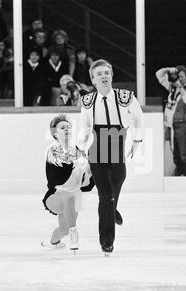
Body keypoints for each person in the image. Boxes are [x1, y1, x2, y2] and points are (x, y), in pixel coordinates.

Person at [77, 59, 144, 255]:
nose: (104, 76)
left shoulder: (125, 97)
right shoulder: (88, 101)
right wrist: (79, 148)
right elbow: (85, 127)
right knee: (105, 196)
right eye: (99, 74)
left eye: (107, 73)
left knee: (115, 188)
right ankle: (107, 241)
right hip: (97, 154)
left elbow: (138, 116)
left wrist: (137, 141)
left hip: (117, 153)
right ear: (93, 80)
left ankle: (111, 210)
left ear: (112, 76)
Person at [42, 114, 94, 251]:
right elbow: (60, 174)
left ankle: (52, 242)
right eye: (62, 127)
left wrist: (90, 170)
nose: (67, 129)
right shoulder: (51, 149)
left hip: (73, 195)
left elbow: (85, 183)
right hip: (55, 195)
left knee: (63, 229)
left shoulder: (78, 151)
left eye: (69, 127)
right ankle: (74, 232)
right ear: (54, 132)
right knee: (70, 195)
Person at [156, 65, 186, 176]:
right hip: (171, 125)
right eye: (178, 76)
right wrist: (168, 70)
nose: (180, 79)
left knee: (184, 155)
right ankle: (179, 175)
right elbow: (159, 75)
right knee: (176, 155)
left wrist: (180, 87)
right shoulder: (172, 86)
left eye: (182, 77)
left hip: (183, 125)